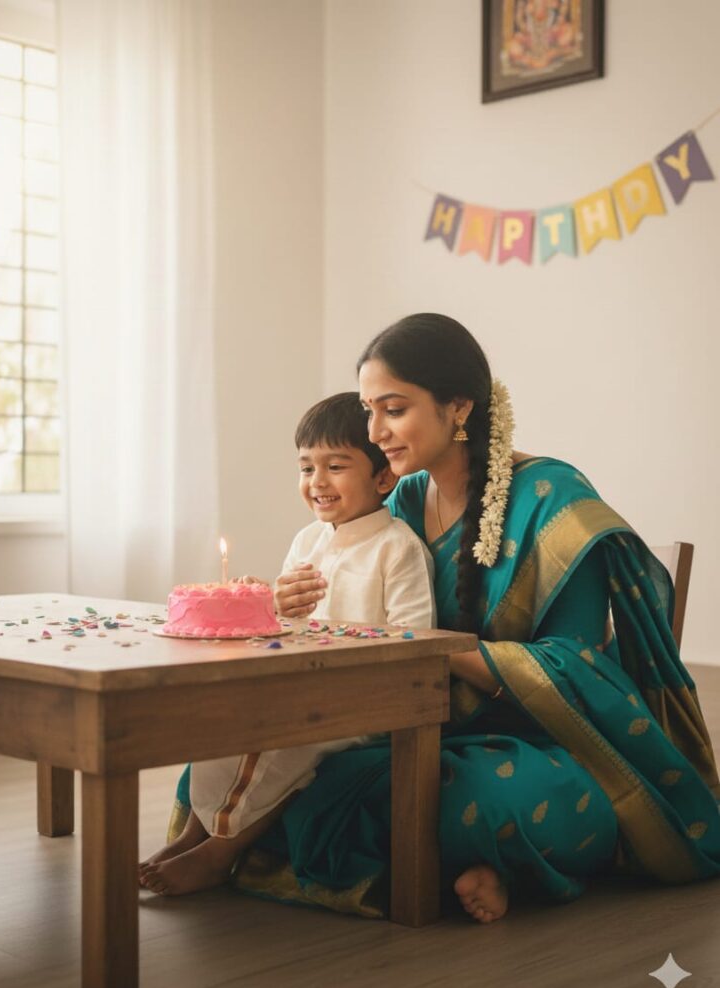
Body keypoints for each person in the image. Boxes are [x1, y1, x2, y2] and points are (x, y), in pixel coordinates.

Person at [180, 312, 719, 924]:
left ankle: (488, 866)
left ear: (458, 406)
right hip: (415, 720)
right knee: (260, 756)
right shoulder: (403, 499)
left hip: (540, 736)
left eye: (394, 408)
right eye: (368, 409)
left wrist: (430, 653)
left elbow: (579, 663)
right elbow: (361, 607)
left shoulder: (551, 498)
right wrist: (296, 601)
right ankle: (472, 871)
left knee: (473, 797)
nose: (374, 430)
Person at [140, 391, 436, 896]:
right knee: (224, 721)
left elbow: (416, 639)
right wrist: (269, 605)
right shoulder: (307, 541)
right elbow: (282, 629)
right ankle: (192, 834)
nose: (317, 482)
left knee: (284, 743)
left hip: (361, 700)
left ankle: (220, 853)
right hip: (301, 687)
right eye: (306, 468)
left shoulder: (398, 548)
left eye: (336, 466)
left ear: (383, 477)